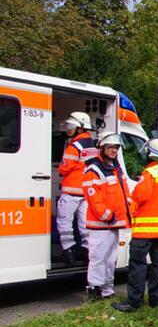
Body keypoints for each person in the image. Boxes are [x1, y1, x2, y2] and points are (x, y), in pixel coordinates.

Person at [113, 139, 158, 312]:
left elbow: (140, 195)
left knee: (138, 264)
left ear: (151, 153)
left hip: (145, 228)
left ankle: (134, 301)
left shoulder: (150, 172)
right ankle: (156, 299)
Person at [82, 132, 132, 301]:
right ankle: (94, 290)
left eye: (116, 148)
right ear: (102, 148)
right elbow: (94, 198)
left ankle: (107, 289)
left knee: (111, 259)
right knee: (98, 258)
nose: (114, 151)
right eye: (111, 147)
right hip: (101, 225)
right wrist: (107, 215)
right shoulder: (93, 169)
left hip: (115, 224)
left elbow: (125, 195)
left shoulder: (116, 168)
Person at [57, 111, 96, 264]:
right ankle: (87, 252)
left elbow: (63, 169)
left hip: (71, 191)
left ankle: (69, 252)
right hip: (86, 191)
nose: (68, 128)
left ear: (80, 128)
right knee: (84, 224)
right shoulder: (93, 145)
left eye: (71, 125)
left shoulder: (74, 146)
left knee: (64, 222)